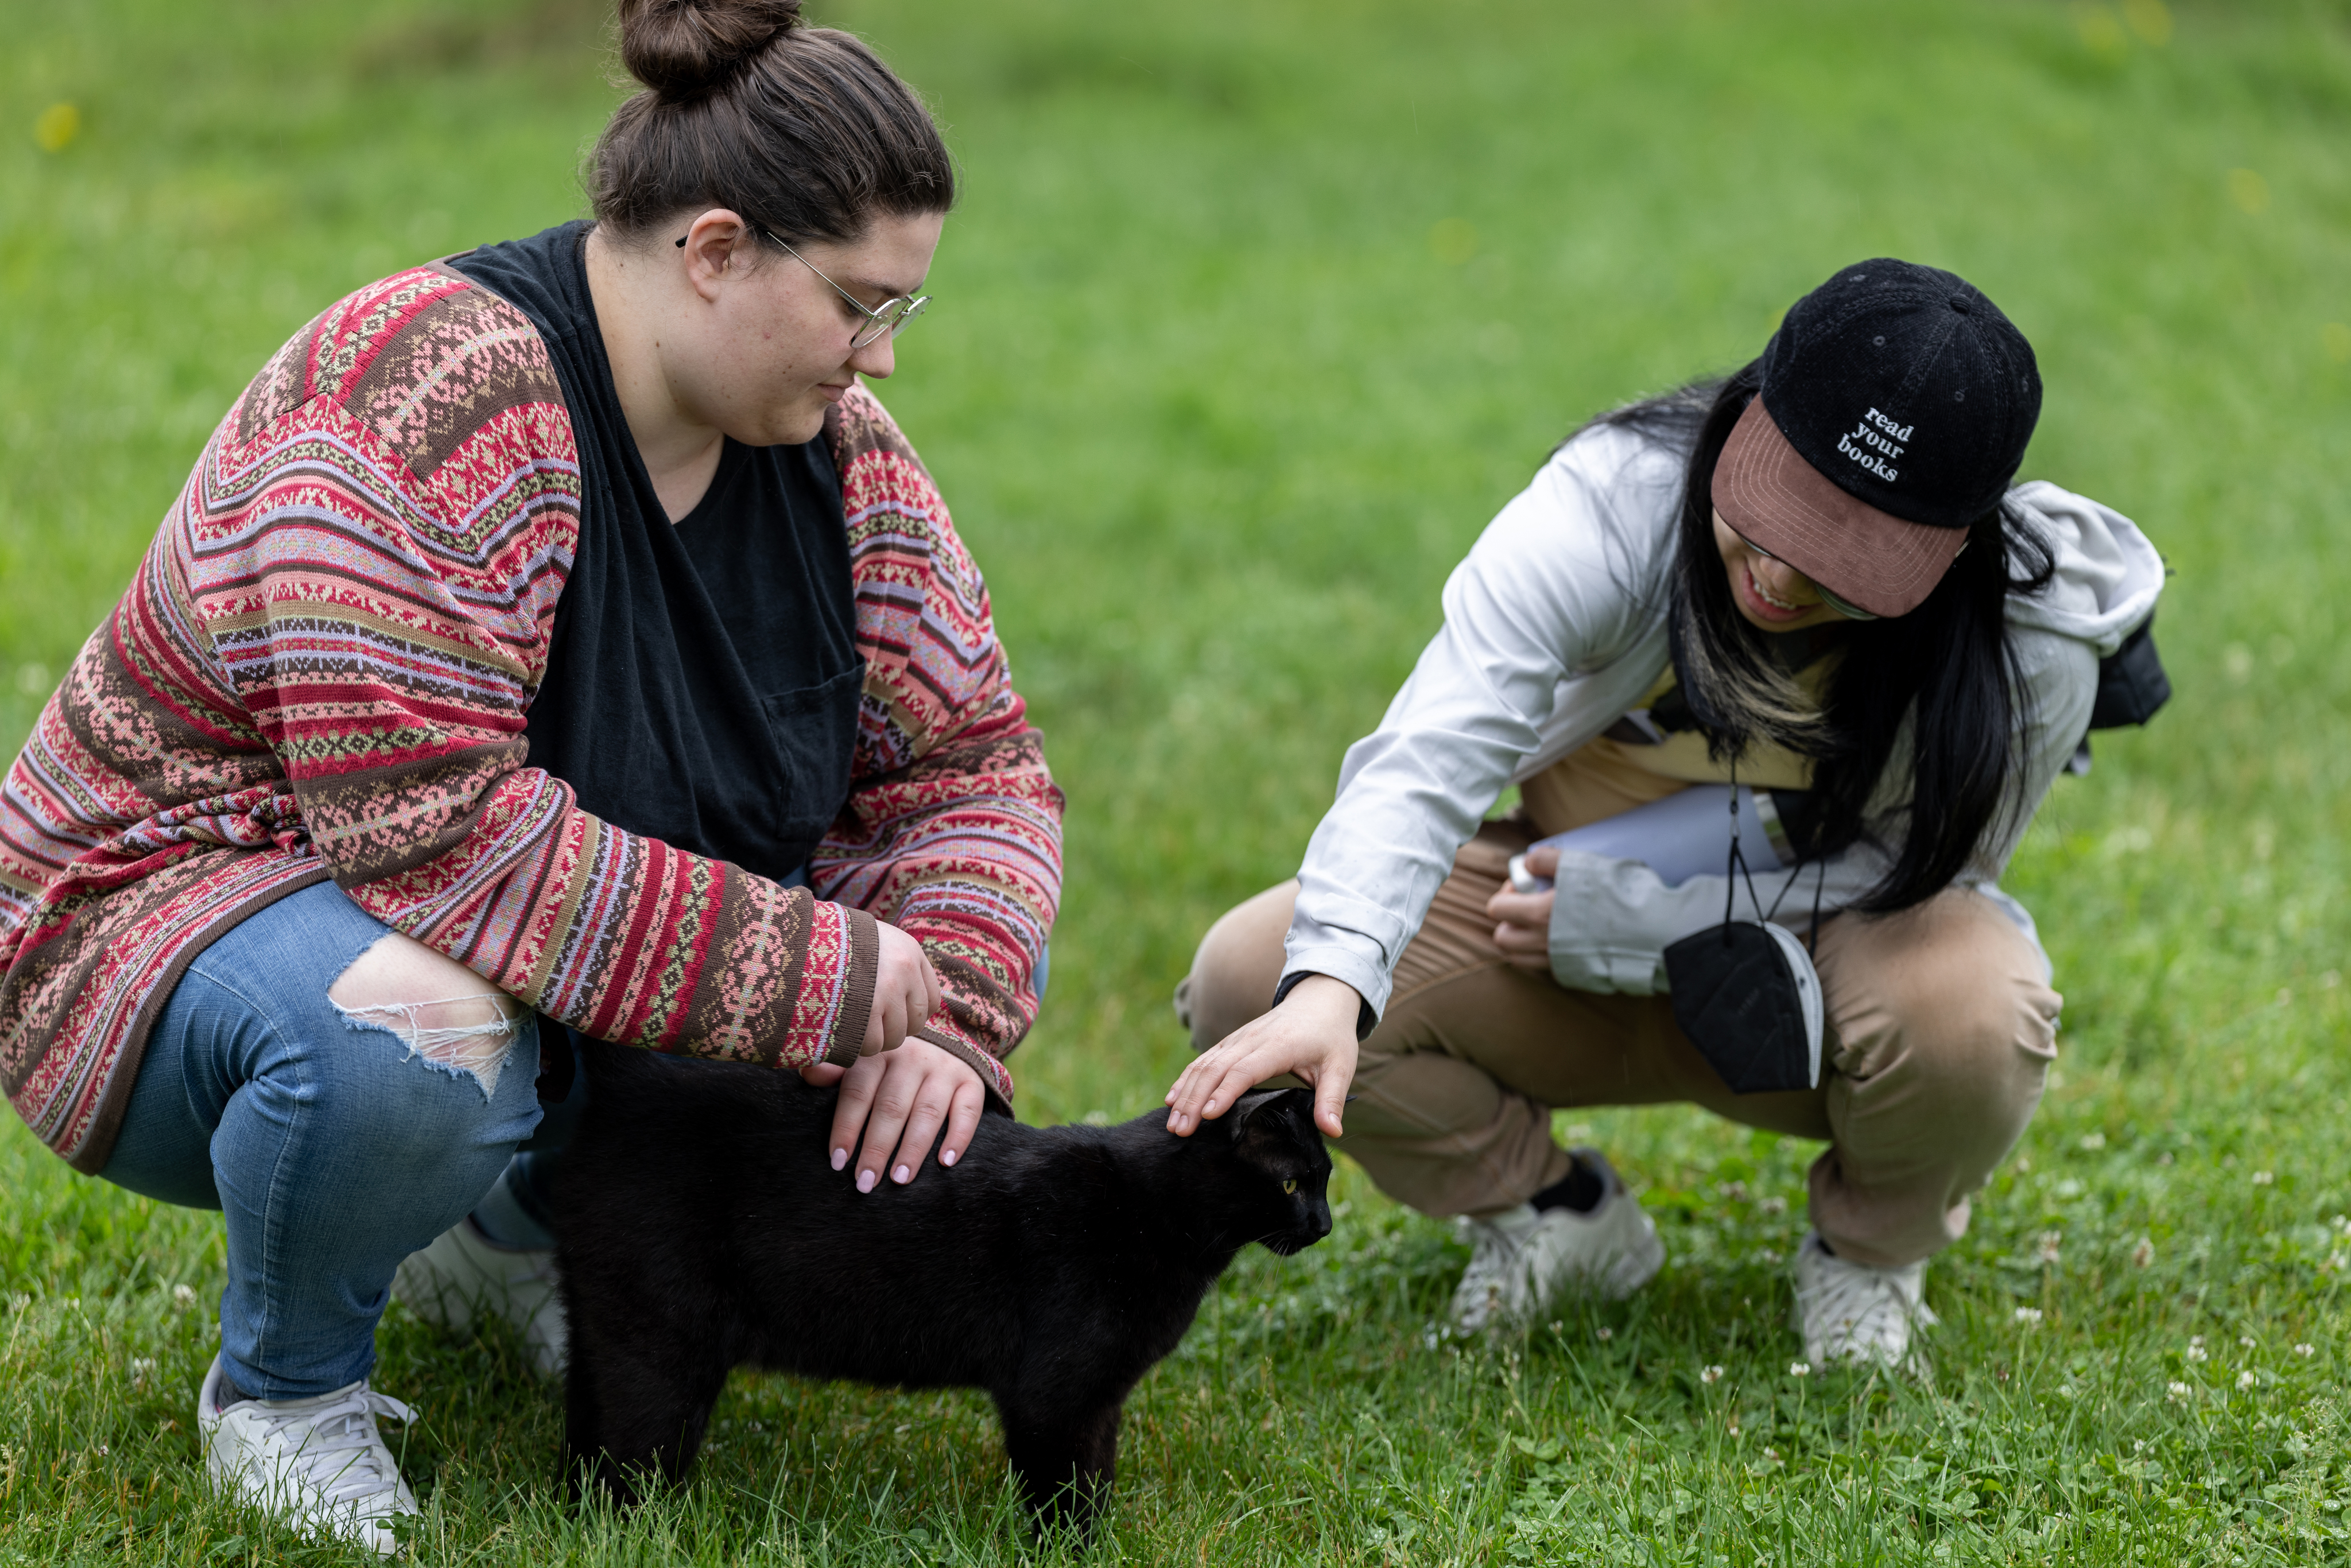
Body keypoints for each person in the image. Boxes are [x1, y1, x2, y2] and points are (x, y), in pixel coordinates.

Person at [0, 0, 1060, 1551]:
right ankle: (288, 1392)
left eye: (904, 310)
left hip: (512, 949)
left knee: (673, 996)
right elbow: (439, 842)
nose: (882, 354)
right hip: (170, 922)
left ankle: (508, 1230)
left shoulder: (843, 458)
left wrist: (950, 1008)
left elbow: (973, 765)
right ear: (713, 249)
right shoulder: (426, 391)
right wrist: (830, 968)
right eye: (856, 303)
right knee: (414, 1037)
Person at [1166, 259, 2162, 1369]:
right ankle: (1557, 1216)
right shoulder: (1610, 505)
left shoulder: (2034, 639)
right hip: (1541, 920)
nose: (1781, 576)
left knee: (1973, 1007)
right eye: (1776, 512)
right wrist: (1333, 983)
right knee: (1252, 977)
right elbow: (1432, 752)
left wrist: (1647, 921)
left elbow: (1929, 873)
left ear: (1954, 548)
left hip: (1823, 973)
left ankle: (1869, 1262)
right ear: (1749, 414)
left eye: (1848, 561)